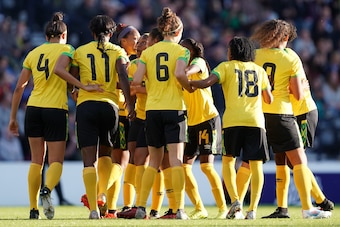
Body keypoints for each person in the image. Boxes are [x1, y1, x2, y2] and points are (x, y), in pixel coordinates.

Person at [8, 12, 100, 220]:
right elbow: (69, 78)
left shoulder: (33, 53)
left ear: (46, 35)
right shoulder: (68, 50)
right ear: (64, 35)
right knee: (56, 161)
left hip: (33, 109)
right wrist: (81, 87)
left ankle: (33, 209)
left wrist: (13, 118)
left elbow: (19, 88)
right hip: (55, 109)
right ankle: (47, 189)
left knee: (36, 162)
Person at [251, 19, 332, 219]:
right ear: (285, 38)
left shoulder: (256, 55)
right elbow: (298, 93)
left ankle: (315, 201)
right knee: (294, 160)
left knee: (288, 160)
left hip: (300, 113)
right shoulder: (290, 56)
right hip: (292, 110)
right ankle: (314, 203)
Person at [59, 14, 135, 219]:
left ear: (92, 32)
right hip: (110, 107)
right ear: (111, 33)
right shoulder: (118, 51)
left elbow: (71, 78)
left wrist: (75, 93)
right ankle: (103, 200)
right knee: (106, 156)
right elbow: (123, 77)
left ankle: (94, 209)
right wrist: (130, 103)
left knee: (88, 161)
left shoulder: (81, 51)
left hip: (86, 107)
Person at [190, 36, 273, 220]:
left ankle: (235, 201)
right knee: (256, 165)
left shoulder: (225, 67)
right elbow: (269, 99)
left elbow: (206, 83)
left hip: (232, 122)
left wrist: (189, 83)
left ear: (233, 51)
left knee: (228, 161)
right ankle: (252, 210)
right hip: (256, 122)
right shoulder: (259, 71)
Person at [132, 7, 193, 220]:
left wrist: (154, 84)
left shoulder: (148, 52)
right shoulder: (182, 51)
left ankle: (140, 206)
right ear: (177, 32)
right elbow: (178, 73)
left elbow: (136, 81)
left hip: (152, 110)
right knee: (176, 160)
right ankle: (179, 209)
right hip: (174, 108)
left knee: (153, 161)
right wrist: (189, 86)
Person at [179, 38, 228, 219]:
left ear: (193, 50)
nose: (182, 52)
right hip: (191, 122)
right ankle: (200, 208)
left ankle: (223, 208)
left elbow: (189, 71)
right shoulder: (181, 68)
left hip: (208, 118)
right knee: (184, 167)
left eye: (185, 49)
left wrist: (180, 70)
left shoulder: (198, 62)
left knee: (207, 166)